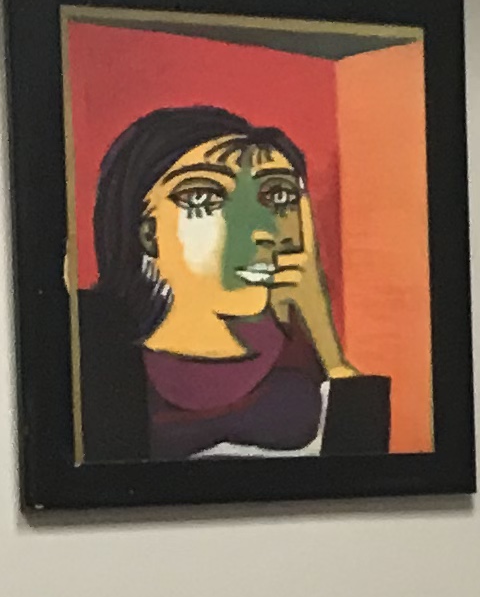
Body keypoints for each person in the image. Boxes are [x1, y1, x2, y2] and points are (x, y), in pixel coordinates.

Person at [75, 105, 390, 464]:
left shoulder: (296, 350)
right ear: (147, 234)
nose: (263, 230)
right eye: (205, 197)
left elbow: (362, 476)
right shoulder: (96, 350)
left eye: (279, 196)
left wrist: (328, 348)